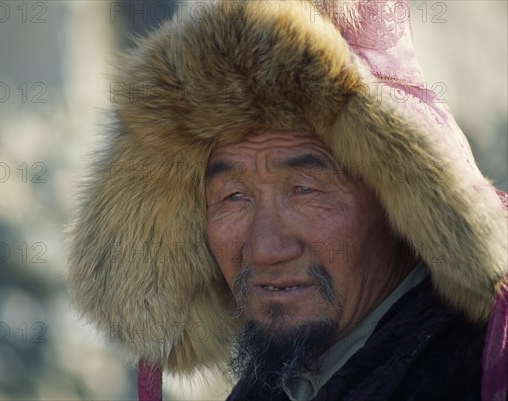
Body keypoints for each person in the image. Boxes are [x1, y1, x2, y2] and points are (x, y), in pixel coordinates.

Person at [66, 1, 508, 400]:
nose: (266, 249)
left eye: (305, 189)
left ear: (404, 204)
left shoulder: (473, 372)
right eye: (233, 196)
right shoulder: (278, 387)